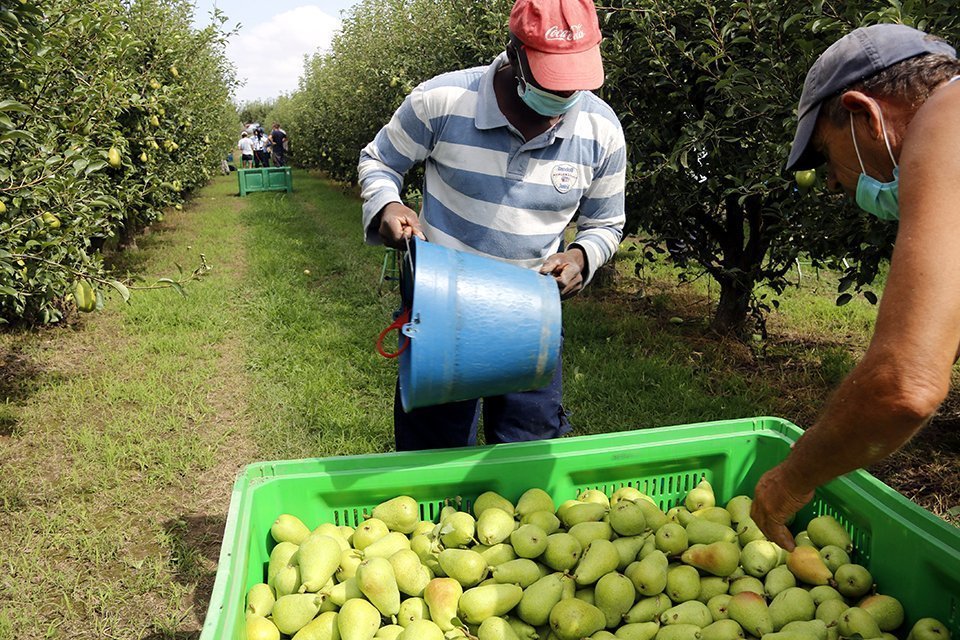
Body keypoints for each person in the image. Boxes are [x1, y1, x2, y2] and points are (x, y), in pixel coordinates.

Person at [358, 0, 626, 451]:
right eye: (551, 81)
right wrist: (387, 204)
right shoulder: (441, 101)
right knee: (434, 452)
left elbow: (606, 222)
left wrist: (582, 256)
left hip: (532, 313)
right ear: (515, 53)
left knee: (528, 448)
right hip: (441, 308)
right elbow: (379, 160)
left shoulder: (601, 131)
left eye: (574, 83)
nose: (563, 98)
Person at [751, 24, 960, 549]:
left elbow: (904, 386)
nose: (835, 184)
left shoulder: (947, 119)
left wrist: (786, 483)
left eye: (825, 156)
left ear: (864, 113)